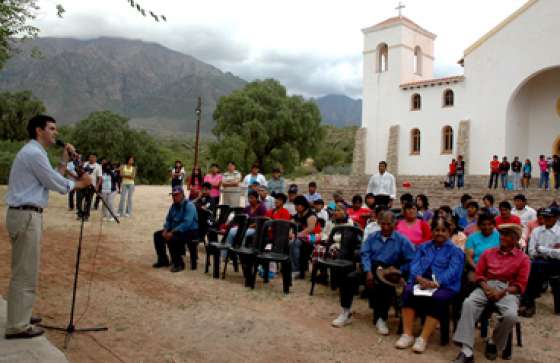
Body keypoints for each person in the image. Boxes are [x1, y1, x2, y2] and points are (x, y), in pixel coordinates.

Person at [5, 115, 91, 339]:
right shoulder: (34, 154)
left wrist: (64, 160)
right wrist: (81, 183)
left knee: (24, 269)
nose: (56, 133)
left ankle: (20, 314)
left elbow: (52, 177)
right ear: (38, 130)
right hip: (26, 216)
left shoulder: (35, 153)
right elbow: (57, 184)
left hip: (25, 216)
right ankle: (17, 325)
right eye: (52, 128)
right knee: (25, 273)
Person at [452, 224, 530, 363]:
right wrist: (485, 287)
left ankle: (493, 342)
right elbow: (479, 274)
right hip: (486, 285)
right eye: (502, 234)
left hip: (508, 290)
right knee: (468, 304)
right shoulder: (488, 253)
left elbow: (520, 285)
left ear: (515, 239)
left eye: (507, 235)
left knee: (511, 316)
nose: (503, 237)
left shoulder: (523, 259)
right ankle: (466, 351)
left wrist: (503, 292)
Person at [332, 211, 415, 335]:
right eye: (383, 224)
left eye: (389, 224)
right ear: (379, 224)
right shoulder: (373, 237)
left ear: (395, 224)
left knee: (384, 286)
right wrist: (368, 271)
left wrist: (399, 271)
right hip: (371, 267)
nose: (385, 227)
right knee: (349, 279)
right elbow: (365, 254)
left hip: (389, 271)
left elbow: (411, 259)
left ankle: (381, 318)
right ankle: (346, 311)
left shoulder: (402, 240)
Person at [395, 217, 464, 353]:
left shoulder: (455, 251)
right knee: (408, 290)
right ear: (431, 231)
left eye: (443, 230)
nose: (439, 233)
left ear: (449, 232)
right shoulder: (424, 246)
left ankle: (423, 338)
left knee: (437, 298)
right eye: (436, 230)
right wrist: (418, 278)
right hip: (422, 281)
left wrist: (436, 283)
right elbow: (414, 264)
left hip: (444, 286)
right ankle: (407, 334)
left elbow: (453, 272)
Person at [520, 208, 560, 317]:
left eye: (549, 217)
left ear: (556, 218)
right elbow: (532, 252)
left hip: (555, 263)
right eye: (544, 216)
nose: (545, 219)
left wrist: (543, 250)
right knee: (534, 267)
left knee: (538, 268)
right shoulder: (536, 231)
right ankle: (529, 303)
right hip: (540, 262)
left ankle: (529, 301)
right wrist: (552, 252)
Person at [153, 186, 199, 272]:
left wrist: (172, 232)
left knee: (172, 238)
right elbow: (169, 219)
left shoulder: (189, 205)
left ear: (182, 194)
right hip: (175, 229)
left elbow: (186, 224)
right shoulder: (173, 206)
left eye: (176, 195)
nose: (174, 197)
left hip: (190, 231)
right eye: (173, 195)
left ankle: (179, 263)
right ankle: (163, 260)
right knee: (158, 235)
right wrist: (166, 230)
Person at [291, 196, 321, 279]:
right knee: (290, 242)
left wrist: (296, 235)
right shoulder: (298, 215)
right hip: (303, 236)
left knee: (295, 242)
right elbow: (292, 225)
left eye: (297, 205)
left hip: (315, 237)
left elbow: (310, 229)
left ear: (303, 205)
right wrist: (290, 233)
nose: (295, 207)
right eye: (295, 205)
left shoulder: (311, 215)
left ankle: (296, 270)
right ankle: (293, 267)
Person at [77, 153, 102, 221]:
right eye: (90, 157)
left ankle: (86, 215)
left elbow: (100, 178)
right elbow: (79, 172)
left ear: (96, 158)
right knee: (79, 199)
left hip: (91, 187)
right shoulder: (85, 164)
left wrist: (97, 186)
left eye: (93, 157)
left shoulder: (98, 166)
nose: (91, 158)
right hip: (82, 185)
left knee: (88, 201)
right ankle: (79, 214)